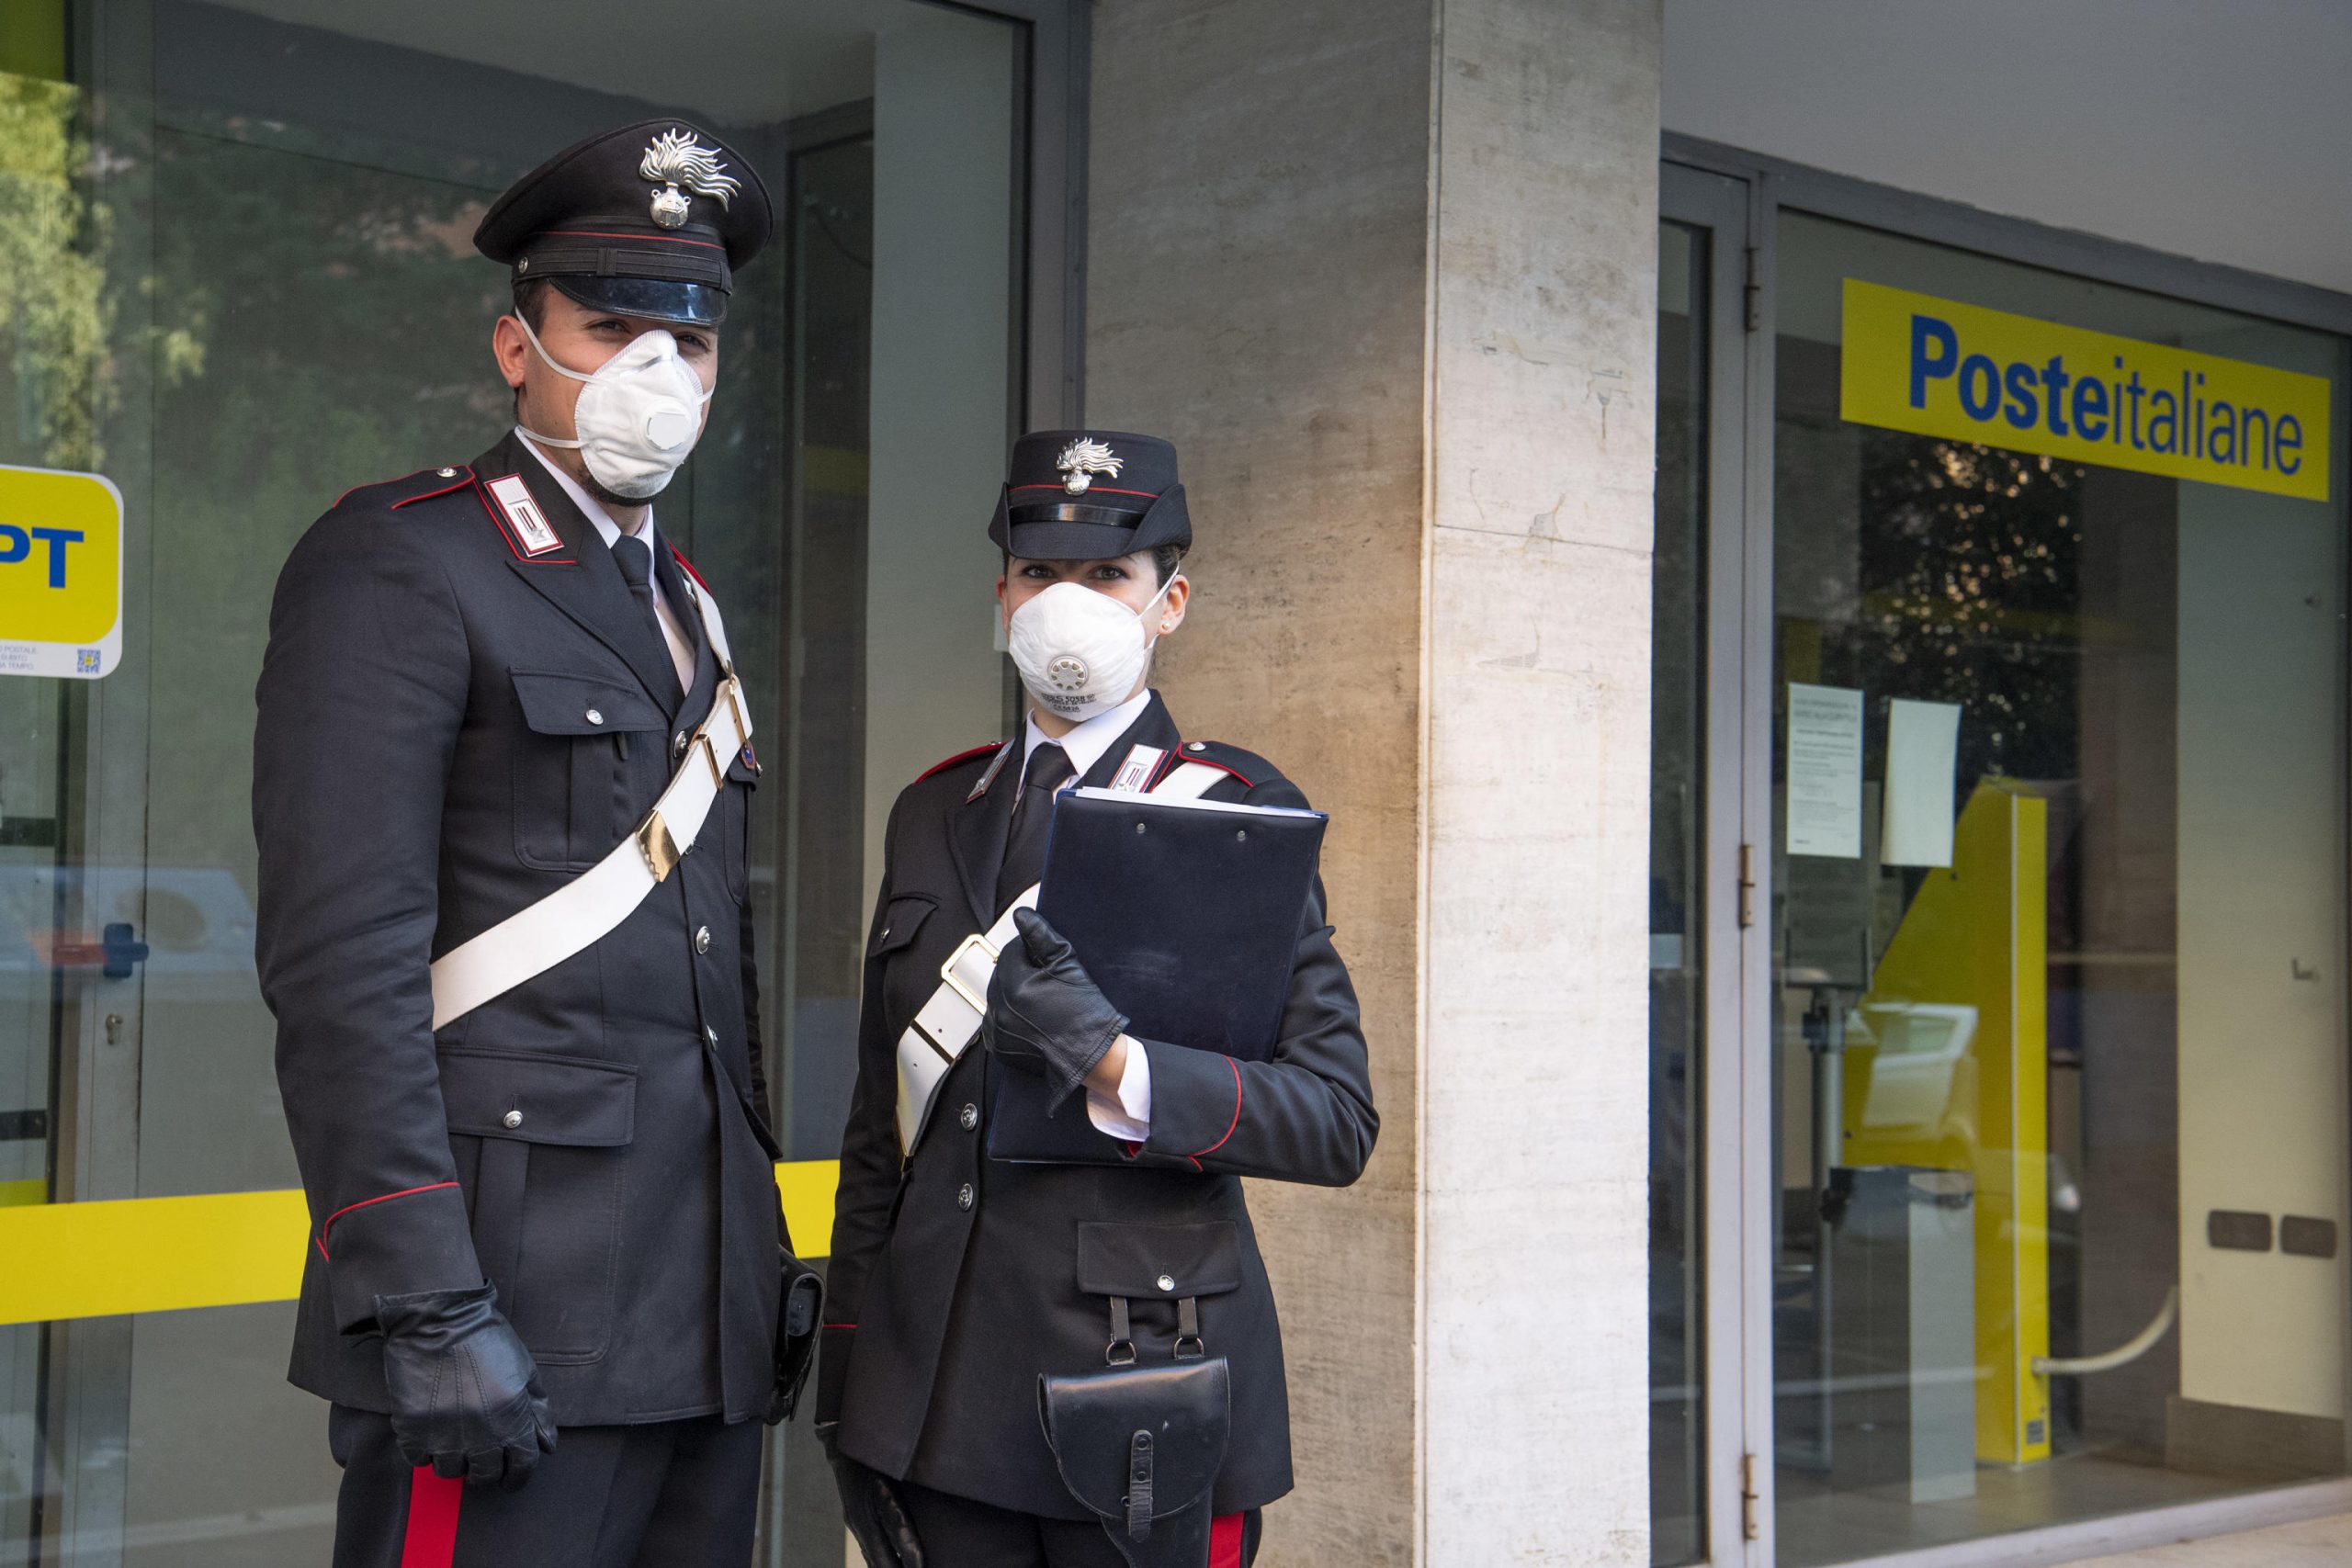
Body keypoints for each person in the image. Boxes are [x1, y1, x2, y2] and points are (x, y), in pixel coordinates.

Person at [254, 118, 818, 1568]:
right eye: (611, 325)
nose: (657, 372)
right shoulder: (404, 558)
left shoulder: (684, 601)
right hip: (504, 1314)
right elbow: (342, 968)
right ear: (518, 344)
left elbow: (702, 982)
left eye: (688, 340)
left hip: (696, 1323)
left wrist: (755, 1275)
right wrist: (423, 1299)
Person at [818, 430, 1379, 1567]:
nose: (1065, 603)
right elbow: (882, 1131)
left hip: (1136, 1382)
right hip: (930, 1390)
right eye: (1040, 574)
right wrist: (850, 1369)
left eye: (1106, 577)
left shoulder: (1236, 810)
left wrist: (1115, 1063)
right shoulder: (934, 811)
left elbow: (1333, 1119)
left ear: (1168, 603)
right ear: (1002, 592)